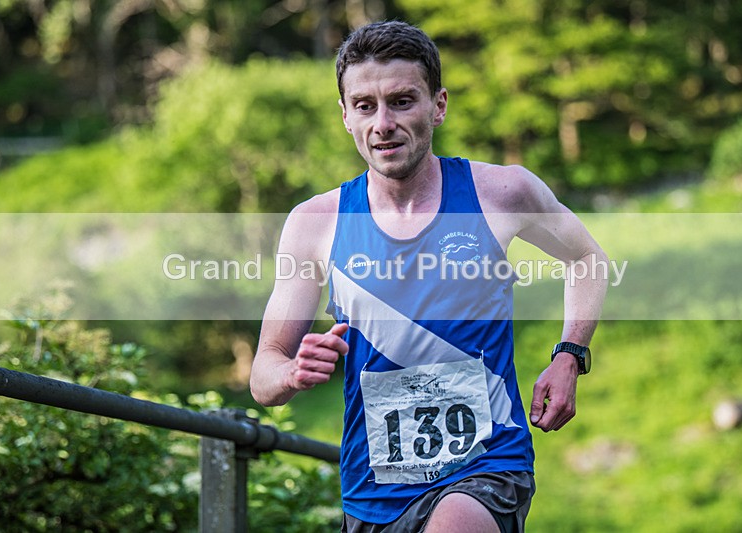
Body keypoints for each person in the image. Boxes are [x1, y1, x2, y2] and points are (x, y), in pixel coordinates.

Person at [250, 20, 608, 533]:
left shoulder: (501, 193)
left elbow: (587, 260)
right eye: (365, 106)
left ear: (438, 105)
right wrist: (290, 373)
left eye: (402, 101)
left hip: (485, 466)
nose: (383, 123)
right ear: (345, 116)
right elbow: (263, 377)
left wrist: (570, 355)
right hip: (374, 487)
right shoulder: (315, 223)